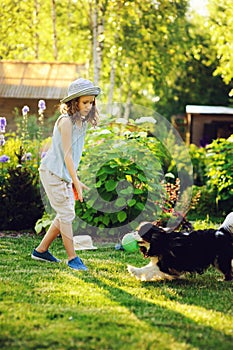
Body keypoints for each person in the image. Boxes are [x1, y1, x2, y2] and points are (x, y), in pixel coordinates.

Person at [31, 78, 101, 270]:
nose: (88, 106)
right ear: (74, 102)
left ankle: (41, 250)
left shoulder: (82, 123)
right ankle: (72, 258)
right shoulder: (66, 122)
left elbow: (74, 155)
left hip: (62, 174)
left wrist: (73, 178)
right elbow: (68, 155)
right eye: (85, 102)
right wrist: (75, 181)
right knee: (67, 214)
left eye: (91, 102)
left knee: (64, 213)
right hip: (53, 173)